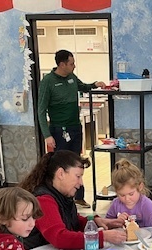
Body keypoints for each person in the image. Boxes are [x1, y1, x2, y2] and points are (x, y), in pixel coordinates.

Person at [38, 49, 106, 208]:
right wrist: (47, 135)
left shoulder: (71, 77)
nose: (74, 66)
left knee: (77, 163)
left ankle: (78, 196)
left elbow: (83, 86)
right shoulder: (48, 82)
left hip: (75, 127)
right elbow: (41, 111)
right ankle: (59, 198)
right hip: (59, 130)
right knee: (61, 166)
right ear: (62, 64)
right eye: (71, 63)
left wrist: (95, 84)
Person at [19, 150, 126, 250]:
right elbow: (59, 237)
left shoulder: (61, 195)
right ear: (60, 174)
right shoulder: (43, 200)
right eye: (78, 176)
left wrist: (94, 222)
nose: (81, 183)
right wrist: (102, 237)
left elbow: (69, 219)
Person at [105, 159, 152, 246]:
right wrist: (116, 221)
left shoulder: (145, 203)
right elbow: (106, 223)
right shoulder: (116, 204)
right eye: (122, 195)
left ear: (140, 187)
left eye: (131, 194)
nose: (127, 199)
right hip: (124, 242)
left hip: (145, 241)